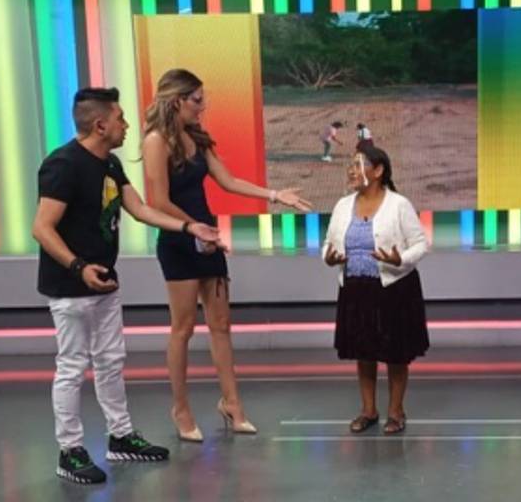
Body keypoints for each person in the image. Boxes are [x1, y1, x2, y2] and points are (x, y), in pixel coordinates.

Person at [33, 87, 221, 484]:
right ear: (100, 125)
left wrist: (189, 227)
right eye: (120, 119)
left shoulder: (110, 164)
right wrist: (78, 267)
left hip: (104, 282)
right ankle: (70, 451)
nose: (127, 125)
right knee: (72, 366)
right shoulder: (63, 165)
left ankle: (120, 436)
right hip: (70, 287)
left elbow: (140, 209)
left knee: (111, 361)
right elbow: (42, 228)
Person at [142, 68, 312, 441]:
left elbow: (228, 180)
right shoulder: (156, 141)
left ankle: (232, 404)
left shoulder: (198, 137)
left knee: (221, 325)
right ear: (177, 101)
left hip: (209, 240)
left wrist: (274, 196)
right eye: (197, 100)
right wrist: (194, 229)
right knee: (183, 328)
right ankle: (181, 409)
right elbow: (159, 202)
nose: (203, 106)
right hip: (179, 239)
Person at [322, 146, 429, 435]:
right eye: (350, 165)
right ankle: (368, 410)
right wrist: (329, 258)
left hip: (394, 289)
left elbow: (420, 244)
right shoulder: (343, 205)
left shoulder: (398, 204)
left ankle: (396, 411)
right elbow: (329, 243)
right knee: (364, 352)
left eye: (358, 165)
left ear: (378, 170)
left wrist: (399, 259)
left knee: (396, 354)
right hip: (355, 290)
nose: (351, 171)